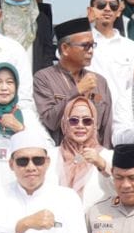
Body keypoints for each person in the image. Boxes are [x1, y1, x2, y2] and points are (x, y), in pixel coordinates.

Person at [34, 18, 115, 148]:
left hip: (94, 158)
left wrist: (104, 160)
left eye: (92, 45)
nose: (90, 51)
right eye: (85, 46)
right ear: (65, 48)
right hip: (61, 159)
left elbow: (106, 128)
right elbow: (50, 121)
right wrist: (77, 91)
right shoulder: (44, 78)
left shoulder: (99, 81)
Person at [87, 0, 134, 136]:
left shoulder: (130, 46)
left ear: (119, 12)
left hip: (121, 118)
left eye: (113, 6)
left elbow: (133, 85)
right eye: (101, 5)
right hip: (89, 116)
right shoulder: (82, 41)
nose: (107, 9)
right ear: (91, 10)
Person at [55, 94, 113, 209]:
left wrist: (102, 164)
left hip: (95, 224)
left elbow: (120, 191)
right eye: (73, 121)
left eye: (87, 121)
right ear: (65, 124)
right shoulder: (51, 157)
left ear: (95, 125)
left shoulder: (107, 156)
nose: (80, 126)